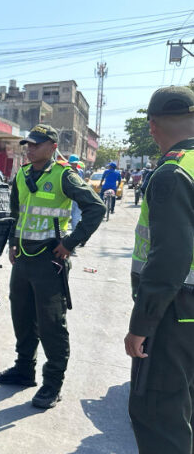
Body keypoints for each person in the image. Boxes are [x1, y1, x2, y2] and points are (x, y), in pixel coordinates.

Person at [0, 124, 105, 410]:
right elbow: (17, 211)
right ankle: (24, 370)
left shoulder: (64, 176)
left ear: (53, 147)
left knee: (52, 324)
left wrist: (71, 242)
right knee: (22, 316)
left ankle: (52, 384)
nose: (29, 148)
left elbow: (96, 208)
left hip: (50, 260)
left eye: (36, 144)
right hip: (24, 258)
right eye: (28, 144)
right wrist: (13, 243)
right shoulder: (21, 174)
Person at [125, 86, 194, 454]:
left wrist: (141, 326)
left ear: (152, 126)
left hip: (176, 314)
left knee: (158, 415)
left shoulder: (172, 173)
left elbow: (169, 261)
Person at [68, 154, 84, 232]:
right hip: (67, 198)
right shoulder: (65, 171)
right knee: (65, 216)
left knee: (76, 217)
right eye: (72, 163)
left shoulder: (80, 172)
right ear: (69, 163)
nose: (74, 165)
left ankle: (75, 235)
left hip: (77, 198)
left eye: (75, 163)